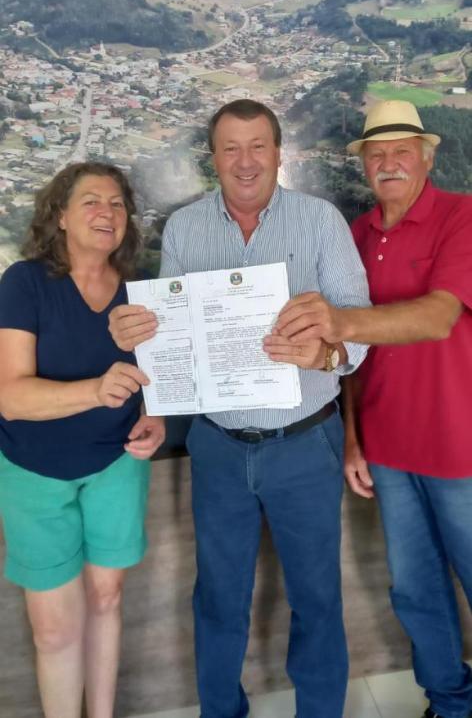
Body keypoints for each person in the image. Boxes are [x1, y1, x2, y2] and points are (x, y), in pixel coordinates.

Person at [108, 99, 370, 718]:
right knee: (219, 598)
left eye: (258, 146)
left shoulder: (319, 221)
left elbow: (358, 327)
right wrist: (135, 336)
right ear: (213, 158)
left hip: (306, 441)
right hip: (218, 446)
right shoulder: (186, 227)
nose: (245, 161)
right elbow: (170, 340)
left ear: (279, 153)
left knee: (316, 599)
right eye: (231, 148)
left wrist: (326, 354)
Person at [264, 100, 472, 718]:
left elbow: (438, 317)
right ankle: (450, 702)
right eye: (376, 153)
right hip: (386, 446)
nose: (389, 162)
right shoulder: (355, 236)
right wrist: (354, 436)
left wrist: (340, 320)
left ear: (427, 157)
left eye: (402, 150)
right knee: (415, 588)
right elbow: (351, 358)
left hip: (460, 443)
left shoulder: (462, 216)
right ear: (363, 165)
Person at [0, 162, 165, 718]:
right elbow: (10, 398)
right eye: (91, 200)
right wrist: (95, 391)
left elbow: (156, 381)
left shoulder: (140, 293)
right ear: (61, 216)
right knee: (52, 630)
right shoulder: (24, 283)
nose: (106, 212)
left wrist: (155, 418)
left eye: (117, 203)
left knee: (107, 598)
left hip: (117, 465)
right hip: (34, 472)